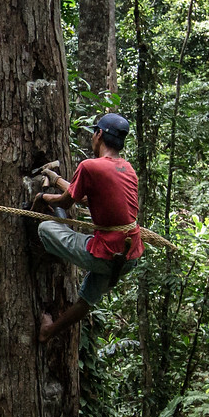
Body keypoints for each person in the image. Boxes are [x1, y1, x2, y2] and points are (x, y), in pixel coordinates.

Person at [33, 112, 143, 342]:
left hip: (105, 254)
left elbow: (65, 202)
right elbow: (85, 197)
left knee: (45, 229)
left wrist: (43, 197)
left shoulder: (90, 166)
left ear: (99, 134)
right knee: (86, 299)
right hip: (128, 257)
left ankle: (44, 252)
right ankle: (48, 332)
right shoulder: (127, 169)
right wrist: (56, 180)